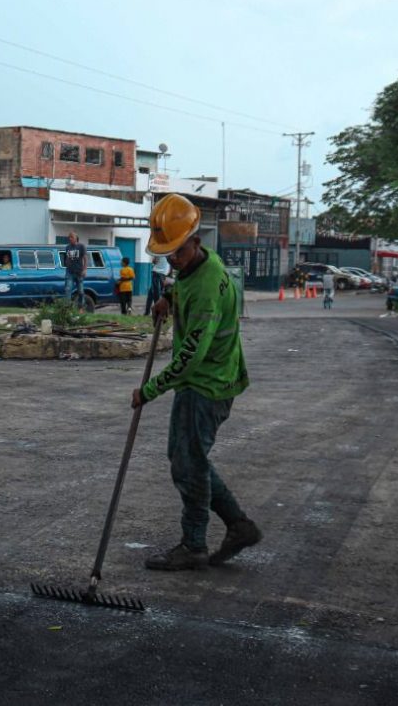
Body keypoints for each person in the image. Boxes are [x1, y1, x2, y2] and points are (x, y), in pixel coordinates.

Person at [134, 193, 261, 571]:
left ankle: (194, 545)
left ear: (195, 241)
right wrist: (169, 297)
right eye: (167, 254)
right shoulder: (201, 264)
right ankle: (238, 526)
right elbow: (187, 280)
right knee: (186, 459)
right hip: (205, 381)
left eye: (178, 253)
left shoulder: (208, 287)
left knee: (188, 463)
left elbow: (191, 355)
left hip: (207, 384)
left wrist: (150, 390)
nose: (173, 260)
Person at [62, 232, 87, 308]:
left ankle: (81, 307)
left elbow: (85, 258)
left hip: (79, 272)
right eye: (69, 237)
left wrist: (85, 269)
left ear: (76, 238)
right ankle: (67, 307)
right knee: (68, 289)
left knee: (80, 291)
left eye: (72, 237)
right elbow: (67, 258)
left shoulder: (81, 246)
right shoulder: (67, 247)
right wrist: (66, 264)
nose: (70, 239)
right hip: (69, 272)